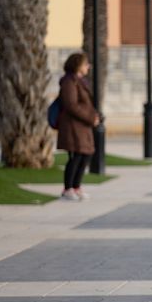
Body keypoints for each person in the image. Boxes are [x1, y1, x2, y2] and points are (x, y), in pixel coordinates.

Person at [57, 52, 99, 201]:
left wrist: (94, 116)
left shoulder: (80, 81)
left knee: (85, 155)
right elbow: (71, 105)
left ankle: (76, 186)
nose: (88, 66)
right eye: (85, 64)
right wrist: (89, 117)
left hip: (82, 126)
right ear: (78, 65)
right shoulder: (69, 82)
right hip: (73, 126)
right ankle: (68, 189)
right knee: (75, 156)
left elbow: (85, 103)